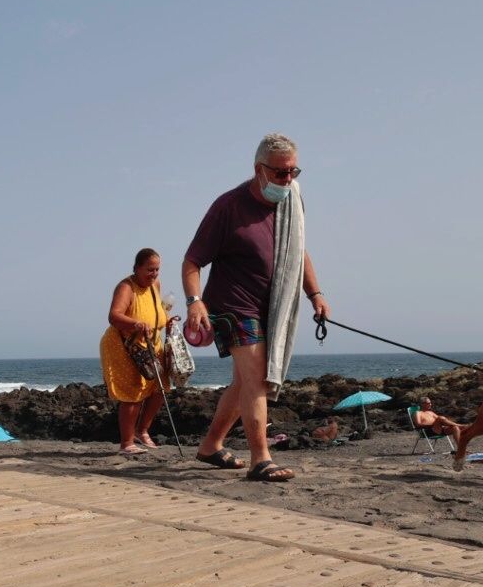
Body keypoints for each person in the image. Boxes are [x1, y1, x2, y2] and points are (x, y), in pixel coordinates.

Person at [183, 133, 334, 482]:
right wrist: (194, 302)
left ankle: (210, 445)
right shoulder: (228, 206)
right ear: (259, 169)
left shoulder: (290, 202)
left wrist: (315, 294)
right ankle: (260, 459)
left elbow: (300, 252)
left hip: (273, 307)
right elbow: (192, 261)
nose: (288, 180)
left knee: (243, 383)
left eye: (294, 172)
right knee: (257, 380)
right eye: (280, 173)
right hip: (233, 304)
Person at [99, 248, 170, 455]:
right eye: (149, 270)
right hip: (125, 345)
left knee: (160, 387)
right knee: (133, 391)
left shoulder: (155, 285)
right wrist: (136, 323)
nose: (154, 274)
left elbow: (158, 310)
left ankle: (142, 430)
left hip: (151, 343)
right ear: (137, 268)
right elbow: (114, 316)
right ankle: (127, 443)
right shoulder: (126, 287)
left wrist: (167, 319)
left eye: (157, 270)